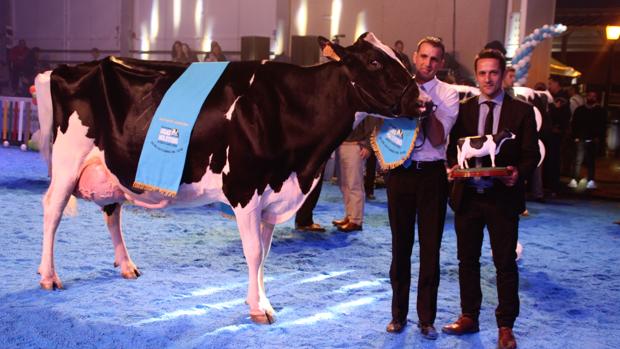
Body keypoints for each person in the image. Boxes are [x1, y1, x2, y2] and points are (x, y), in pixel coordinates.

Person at [444, 49, 539, 349]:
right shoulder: (463, 109)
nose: (488, 78)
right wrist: (452, 167)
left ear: (502, 75)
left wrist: (517, 173)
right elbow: (451, 149)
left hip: (503, 199)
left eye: (493, 72)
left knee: (505, 263)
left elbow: (531, 155)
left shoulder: (521, 112)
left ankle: (505, 326)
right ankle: (469, 315)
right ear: (476, 75)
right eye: (482, 73)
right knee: (467, 261)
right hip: (468, 198)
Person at [384, 36, 459, 340]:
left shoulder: (449, 94)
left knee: (430, 250)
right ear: (415, 57)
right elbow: (383, 130)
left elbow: (440, 138)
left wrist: (426, 110)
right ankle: (397, 316)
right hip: (399, 175)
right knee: (400, 248)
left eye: (435, 59)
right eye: (424, 56)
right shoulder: (396, 88)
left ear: (441, 63)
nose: (428, 63)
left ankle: (426, 319)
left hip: (431, 177)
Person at [332, 117, 378, 232]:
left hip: (355, 145)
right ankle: (349, 216)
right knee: (344, 184)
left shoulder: (364, 101)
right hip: (340, 144)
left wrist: (368, 145)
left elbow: (372, 122)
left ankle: (356, 220)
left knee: (354, 183)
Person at [567, 91, 606, 189]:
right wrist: (575, 136)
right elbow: (574, 123)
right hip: (580, 138)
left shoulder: (599, 111)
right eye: (590, 96)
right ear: (586, 97)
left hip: (592, 139)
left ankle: (590, 180)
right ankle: (574, 179)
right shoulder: (580, 110)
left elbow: (602, 125)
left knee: (590, 160)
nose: (591, 98)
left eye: (593, 96)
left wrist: (598, 137)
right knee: (577, 160)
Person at [544, 76, 570, 195]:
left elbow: (557, 113)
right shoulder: (557, 97)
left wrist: (557, 127)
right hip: (554, 132)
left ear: (557, 83)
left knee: (553, 159)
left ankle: (552, 185)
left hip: (556, 133)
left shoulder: (561, 98)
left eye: (551, 84)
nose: (549, 86)